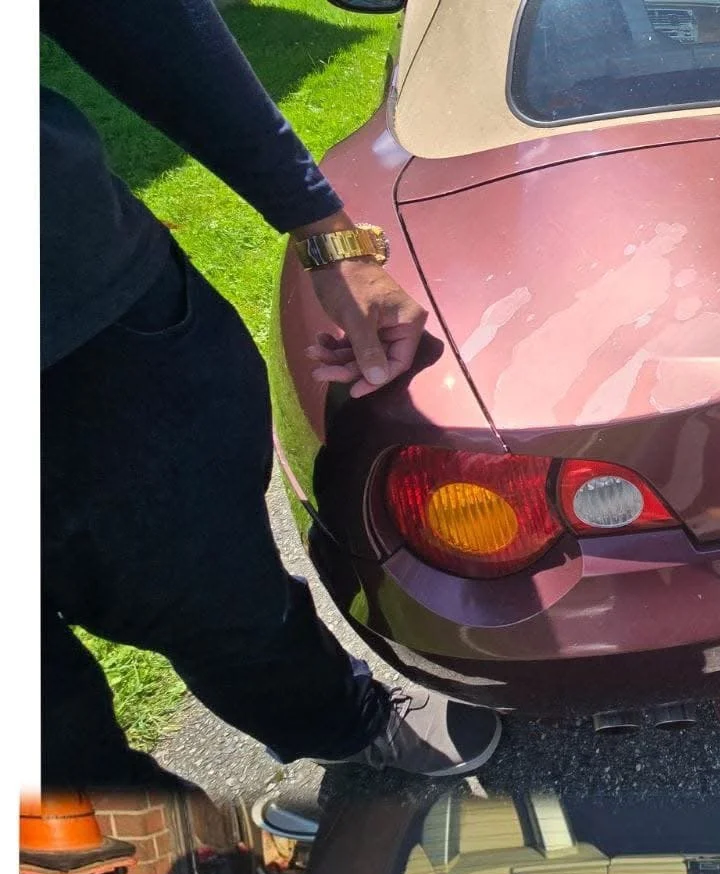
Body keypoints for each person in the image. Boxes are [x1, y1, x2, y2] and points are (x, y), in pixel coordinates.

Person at [40, 0, 502, 787]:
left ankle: (339, 723)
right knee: (45, 752)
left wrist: (327, 235)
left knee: (222, 591)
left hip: (83, 320)